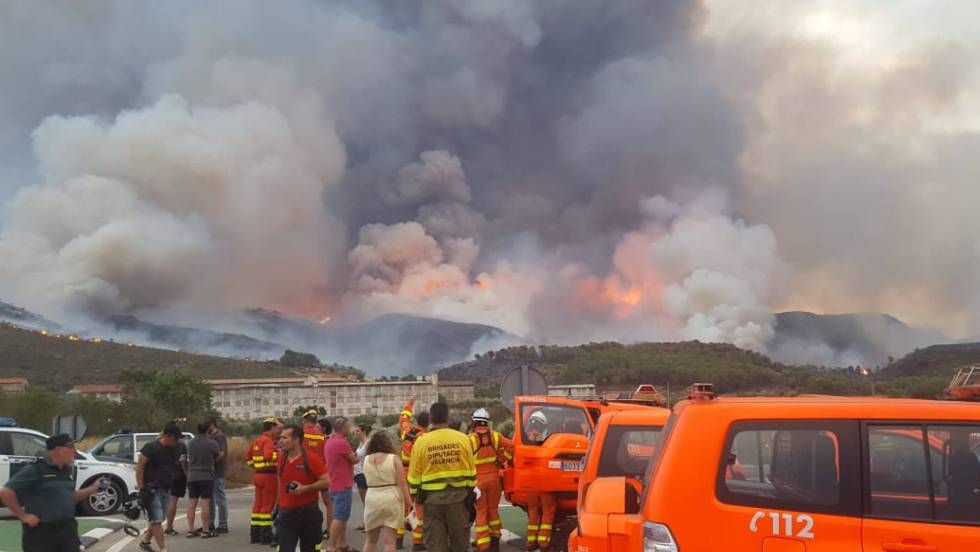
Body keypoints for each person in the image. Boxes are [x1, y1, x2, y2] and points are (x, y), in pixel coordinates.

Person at [0, 434, 104, 552]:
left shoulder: (67, 470)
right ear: (57, 450)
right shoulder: (35, 469)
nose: (74, 451)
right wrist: (23, 516)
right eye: (70, 447)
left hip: (67, 529)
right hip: (42, 532)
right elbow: (6, 492)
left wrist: (93, 488)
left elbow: (70, 497)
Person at [408, 402, 477, 552]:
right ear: (448, 417)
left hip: (431, 502)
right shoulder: (463, 439)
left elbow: (413, 479)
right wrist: (469, 495)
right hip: (458, 500)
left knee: (436, 545)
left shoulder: (421, 442)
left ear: (431, 419)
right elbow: (472, 473)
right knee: (460, 544)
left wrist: (415, 501)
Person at [276, 424, 332, 552]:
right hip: (286, 514)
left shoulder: (312, 459)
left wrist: (304, 488)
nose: (281, 441)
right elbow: (280, 483)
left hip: (308, 513)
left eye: (285, 438)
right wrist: (277, 507)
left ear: (296, 440)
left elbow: (326, 481)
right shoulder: (281, 459)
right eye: (280, 438)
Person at [468, 408, 514, 552]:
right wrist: (502, 458)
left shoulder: (470, 439)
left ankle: (483, 545)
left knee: (481, 512)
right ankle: (495, 541)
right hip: (494, 480)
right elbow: (512, 447)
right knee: (493, 510)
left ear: (474, 422)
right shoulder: (496, 436)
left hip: (478, 481)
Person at [136, 423, 184, 552]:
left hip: (166, 488)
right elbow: (140, 467)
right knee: (156, 519)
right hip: (151, 489)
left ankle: (145, 542)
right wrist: (141, 487)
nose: (177, 441)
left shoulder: (176, 448)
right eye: (175, 438)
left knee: (160, 518)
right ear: (167, 436)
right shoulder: (150, 448)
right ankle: (163, 549)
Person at [363, 431, 413, 552]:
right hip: (391, 497)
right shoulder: (394, 458)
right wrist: (409, 503)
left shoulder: (366, 460)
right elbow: (402, 483)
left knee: (370, 541)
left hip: (372, 498)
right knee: (390, 542)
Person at [324, 416, 359, 552]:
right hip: (342, 484)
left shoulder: (330, 441)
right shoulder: (341, 443)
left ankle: (342, 544)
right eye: (348, 427)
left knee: (341, 515)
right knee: (340, 516)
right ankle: (332, 546)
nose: (350, 430)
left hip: (334, 483)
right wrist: (360, 451)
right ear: (343, 427)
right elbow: (354, 460)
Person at [399, 403, 429, 551]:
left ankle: (398, 539)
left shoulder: (407, 430)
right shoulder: (425, 437)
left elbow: (403, 418)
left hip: (403, 471)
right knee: (418, 507)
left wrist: (409, 404)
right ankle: (417, 542)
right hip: (416, 474)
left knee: (404, 506)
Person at [524, 413, 556, 552]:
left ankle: (530, 543)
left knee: (533, 512)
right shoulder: (546, 439)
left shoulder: (525, 438)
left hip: (530, 482)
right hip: (543, 481)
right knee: (548, 511)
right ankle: (543, 543)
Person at [247, 417, 280, 544]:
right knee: (267, 506)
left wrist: (256, 466)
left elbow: (248, 457)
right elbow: (268, 456)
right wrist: (279, 455)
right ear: (271, 428)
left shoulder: (257, 440)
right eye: (276, 428)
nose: (277, 430)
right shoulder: (268, 441)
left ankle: (254, 534)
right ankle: (266, 535)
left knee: (258, 506)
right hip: (268, 476)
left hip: (258, 475)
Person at [186, 420, 222, 538]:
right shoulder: (211, 443)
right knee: (205, 503)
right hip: (206, 475)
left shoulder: (190, 443)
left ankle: (191, 529)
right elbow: (217, 456)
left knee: (192, 503)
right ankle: (206, 530)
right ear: (207, 430)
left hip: (192, 475)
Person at [206, 417, 230, 534]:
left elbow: (221, 453)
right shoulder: (209, 436)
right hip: (210, 471)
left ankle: (223, 524)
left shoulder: (219, 436)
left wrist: (211, 462)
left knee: (220, 498)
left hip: (218, 470)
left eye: (207, 425)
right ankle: (210, 523)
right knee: (210, 499)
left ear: (212, 424)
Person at [163, 437, 188, 536]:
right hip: (177, 475)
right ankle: (169, 527)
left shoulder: (160, 444)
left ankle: (152, 527)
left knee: (159, 501)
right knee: (173, 501)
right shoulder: (181, 445)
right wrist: (186, 474)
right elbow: (183, 461)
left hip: (163, 475)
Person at [318, 416, 335, 537]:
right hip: (320, 473)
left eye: (318, 427)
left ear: (324, 428)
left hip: (326, 474)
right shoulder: (321, 439)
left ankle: (330, 529)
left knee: (329, 503)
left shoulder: (328, 440)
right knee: (327, 502)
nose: (316, 429)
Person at [353, 423, 372, 530]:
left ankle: (368, 524)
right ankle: (366, 523)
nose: (355, 433)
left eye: (358, 431)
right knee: (365, 501)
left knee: (366, 500)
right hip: (359, 473)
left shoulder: (367, 443)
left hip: (364, 473)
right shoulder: (360, 443)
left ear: (364, 432)